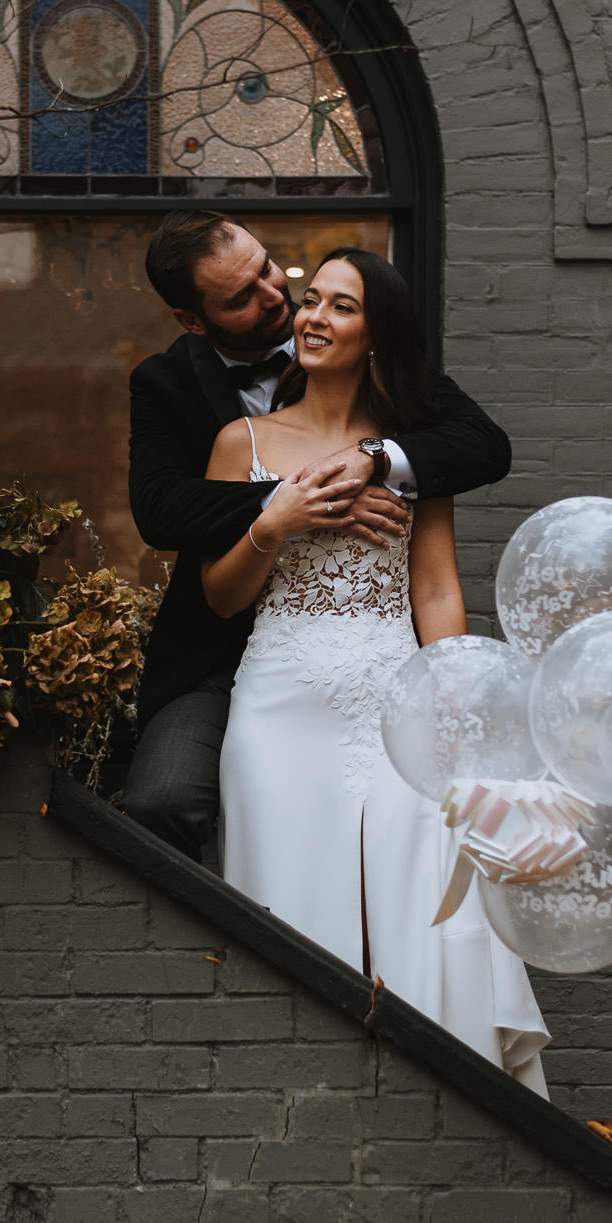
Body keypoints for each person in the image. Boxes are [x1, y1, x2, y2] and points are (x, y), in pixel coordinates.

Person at [202, 246, 549, 1093]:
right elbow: (219, 598)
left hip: (397, 702)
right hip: (278, 711)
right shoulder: (239, 440)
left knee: (427, 909)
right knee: (288, 910)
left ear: (376, 333)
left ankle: (444, 1107)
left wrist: (455, 709)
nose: (314, 317)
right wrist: (272, 521)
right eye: (309, 299)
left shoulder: (410, 453)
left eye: (341, 306)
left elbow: (433, 587)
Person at [124, 209, 512, 858]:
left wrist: (375, 460)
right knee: (160, 801)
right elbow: (160, 510)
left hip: (372, 646)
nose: (276, 296)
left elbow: (482, 447)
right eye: (243, 297)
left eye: (269, 269)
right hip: (223, 651)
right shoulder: (164, 385)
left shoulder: (382, 380)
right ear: (195, 320)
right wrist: (303, 501)